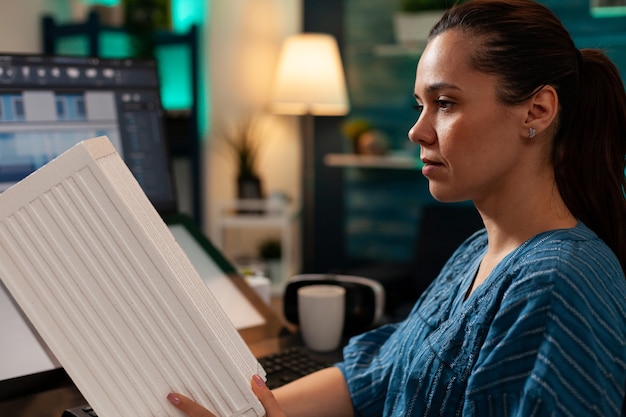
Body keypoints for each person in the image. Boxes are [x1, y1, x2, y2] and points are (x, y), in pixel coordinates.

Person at [167, 0, 626, 415]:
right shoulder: (477, 252)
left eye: (445, 103)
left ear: (537, 110)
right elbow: (377, 374)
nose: (417, 131)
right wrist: (243, 411)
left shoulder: (556, 284)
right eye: (419, 105)